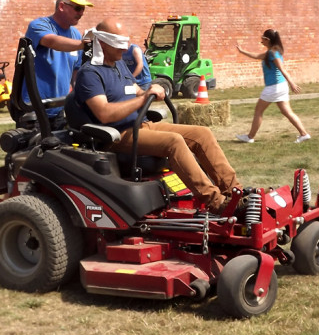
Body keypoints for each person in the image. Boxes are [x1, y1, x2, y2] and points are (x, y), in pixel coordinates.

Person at [73, 19, 241, 213]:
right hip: (116, 135)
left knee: (202, 134)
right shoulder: (90, 74)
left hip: (140, 125)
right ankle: (216, 201)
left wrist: (151, 89)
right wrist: (143, 99)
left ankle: (236, 192)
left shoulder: (118, 65)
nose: (124, 49)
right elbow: (104, 113)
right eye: (118, 44)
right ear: (102, 43)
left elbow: (134, 89)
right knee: (174, 142)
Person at [24, 0, 92, 118]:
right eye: (78, 8)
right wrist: (82, 45)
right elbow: (52, 41)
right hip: (33, 108)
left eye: (83, 9)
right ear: (62, 6)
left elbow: (75, 73)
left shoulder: (76, 35)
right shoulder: (38, 25)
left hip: (59, 108)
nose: (81, 13)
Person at [235, 29, 310, 144]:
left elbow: (282, 69)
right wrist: (242, 51)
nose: (261, 42)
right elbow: (256, 56)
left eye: (262, 40)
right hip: (280, 87)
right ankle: (304, 134)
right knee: (287, 112)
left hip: (274, 87)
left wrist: (292, 83)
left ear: (267, 40)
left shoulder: (273, 53)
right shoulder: (272, 52)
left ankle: (250, 137)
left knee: (258, 111)